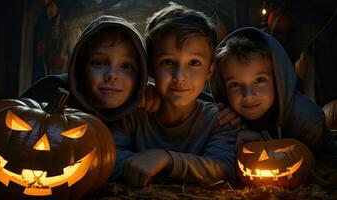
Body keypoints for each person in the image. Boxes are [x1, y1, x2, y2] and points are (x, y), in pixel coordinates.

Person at [109, 3, 238, 187]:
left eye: (194, 63)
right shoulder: (134, 112)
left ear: (210, 70)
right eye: (167, 62)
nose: (180, 77)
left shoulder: (219, 120)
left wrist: (166, 160)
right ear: (151, 67)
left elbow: (223, 168)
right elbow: (106, 159)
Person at [210, 27, 337, 159]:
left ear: (277, 79)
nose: (248, 95)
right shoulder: (226, 117)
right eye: (234, 84)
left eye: (260, 80)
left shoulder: (307, 120)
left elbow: (317, 169)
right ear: (223, 87)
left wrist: (263, 141)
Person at [20, 15, 148, 122]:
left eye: (126, 66)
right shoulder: (49, 90)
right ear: (80, 67)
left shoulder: (141, 115)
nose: (112, 75)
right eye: (99, 63)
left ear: (141, 76)